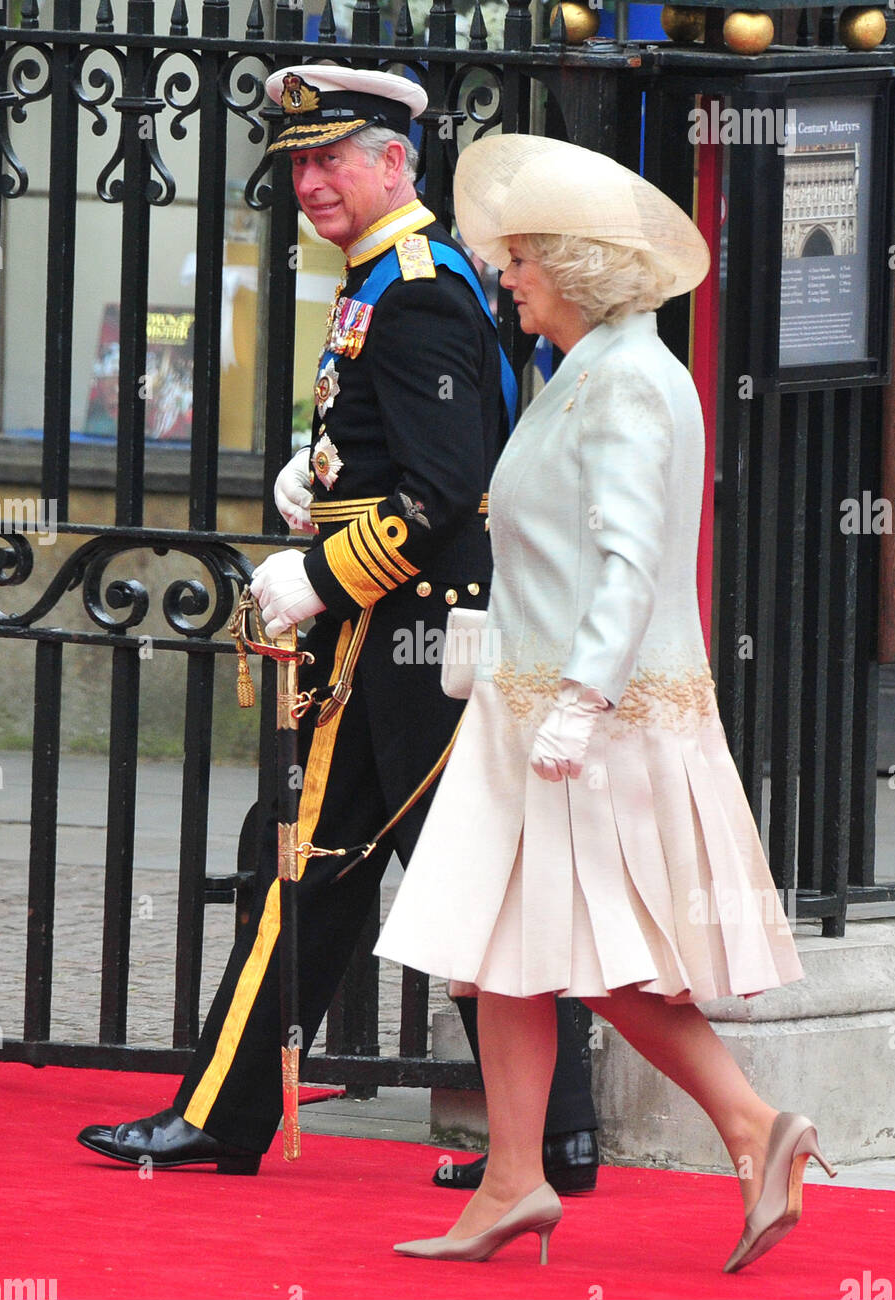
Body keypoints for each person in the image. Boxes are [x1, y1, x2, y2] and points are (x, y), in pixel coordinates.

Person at [76, 70, 599, 1191]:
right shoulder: (389, 275)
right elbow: (401, 463)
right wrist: (323, 487)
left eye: (331, 160)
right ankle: (553, 1133)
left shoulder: (412, 286)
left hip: (398, 640)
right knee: (365, 876)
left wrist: (319, 573)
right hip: (401, 640)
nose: (309, 183)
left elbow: (445, 488)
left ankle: (230, 1116)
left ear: (395, 163)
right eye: (298, 165)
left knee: (350, 871)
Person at [375, 134, 837, 1271]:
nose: (507, 278)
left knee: (593, 958)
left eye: (523, 259)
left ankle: (749, 1126)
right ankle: (513, 1181)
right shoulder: (591, 370)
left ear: (574, 268)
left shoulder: (628, 380)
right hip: (531, 711)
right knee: (498, 948)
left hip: (585, 722)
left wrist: (576, 706)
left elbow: (631, 563)